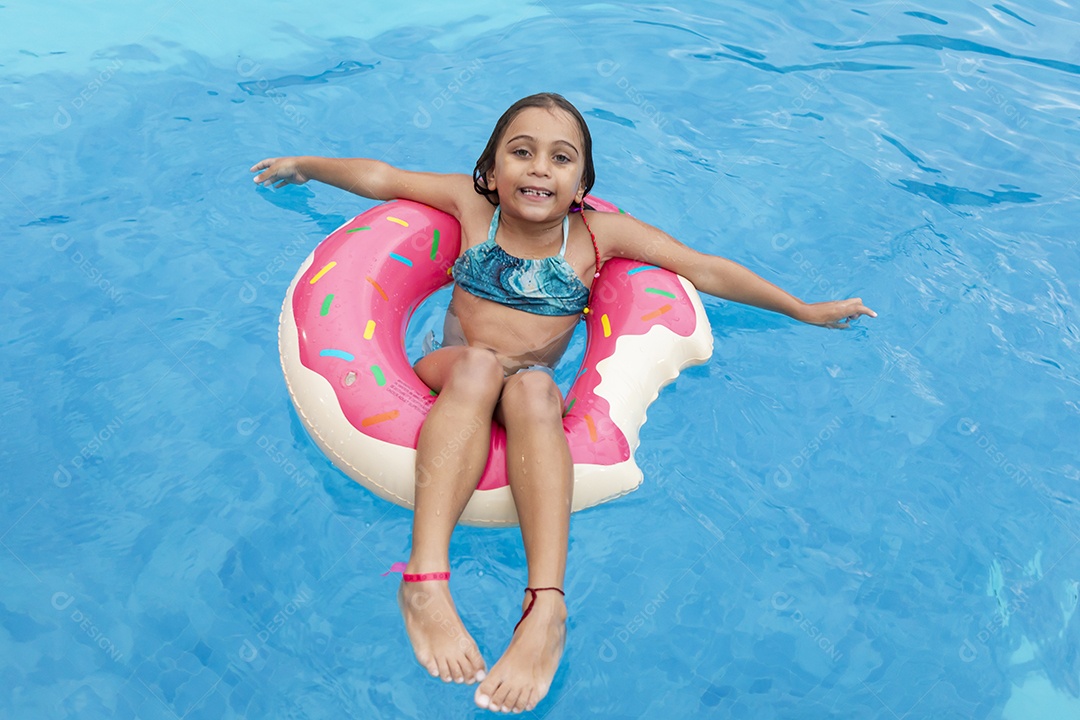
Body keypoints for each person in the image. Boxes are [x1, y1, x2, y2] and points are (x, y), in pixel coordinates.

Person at [251, 92, 876, 714]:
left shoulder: (600, 237)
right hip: (451, 371)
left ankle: (545, 604)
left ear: (582, 183)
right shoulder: (473, 207)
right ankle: (425, 578)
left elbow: (704, 268)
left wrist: (803, 309)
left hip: (525, 382)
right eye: (521, 153)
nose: (539, 168)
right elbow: (384, 179)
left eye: (560, 157)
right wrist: (306, 164)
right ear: (492, 170)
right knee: (478, 366)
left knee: (536, 387)